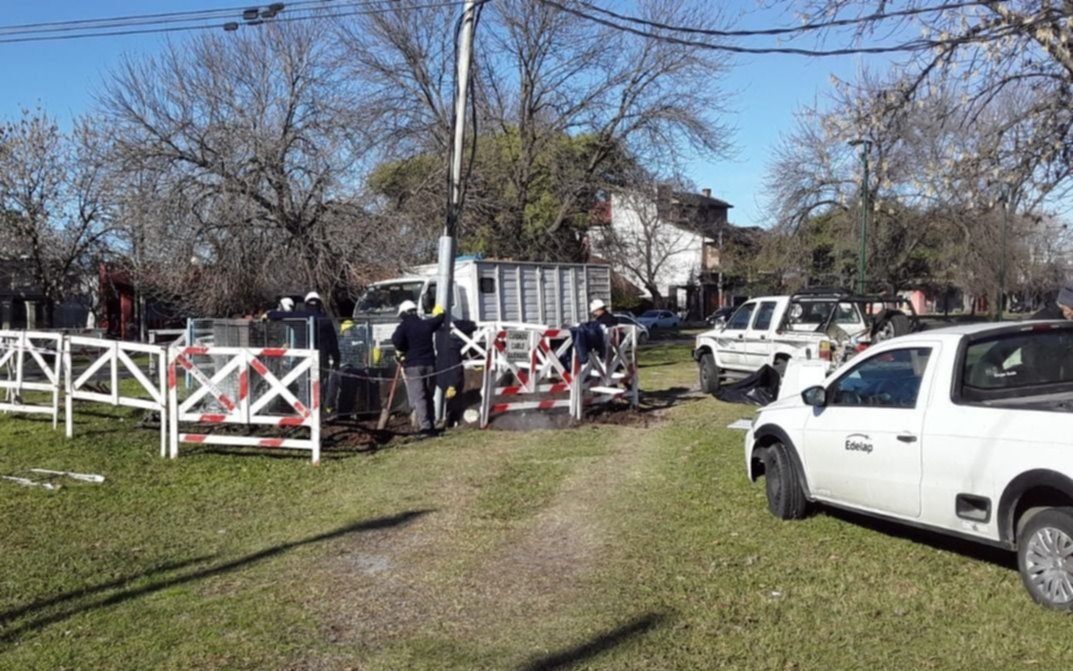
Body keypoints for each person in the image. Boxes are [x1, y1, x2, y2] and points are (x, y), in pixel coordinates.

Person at [391, 299, 446, 438]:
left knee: (419, 397)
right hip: (430, 365)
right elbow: (438, 320)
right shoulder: (425, 324)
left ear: (403, 313)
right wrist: (440, 313)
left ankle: (425, 428)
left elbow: (397, 341)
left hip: (414, 366)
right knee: (429, 396)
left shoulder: (404, 327)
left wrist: (402, 351)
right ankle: (432, 425)